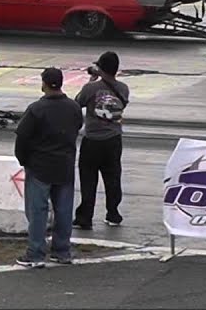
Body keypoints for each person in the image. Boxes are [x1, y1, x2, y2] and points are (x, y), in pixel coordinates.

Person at [14, 67, 83, 268]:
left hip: (40, 167)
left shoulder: (36, 109)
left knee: (38, 211)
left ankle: (35, 253)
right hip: (65, 165)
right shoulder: (73, 107)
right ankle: (62, 251)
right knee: (64, 210)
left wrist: (24, 160)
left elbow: (22, 138)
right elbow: (77, 126)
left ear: (43, 84)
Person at [74, 51, 130, 229]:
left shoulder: (91, 88)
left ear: (100, 68)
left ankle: (85, 218)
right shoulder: (123, 88)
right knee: (113, 178)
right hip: (114, 140)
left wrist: (91, 80)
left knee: (88, 180)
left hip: (92, 140)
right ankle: (113, 214)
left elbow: (77, 103)